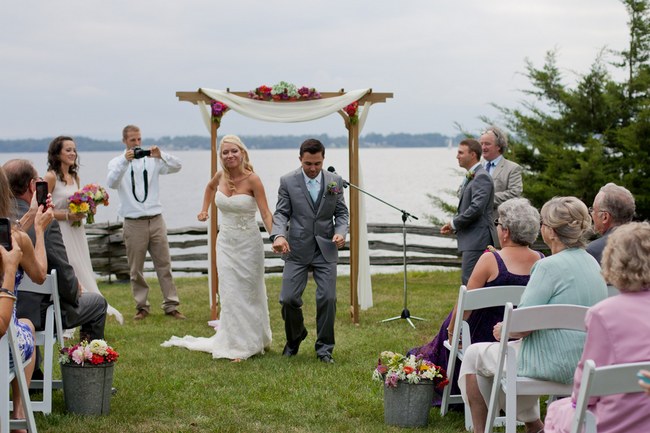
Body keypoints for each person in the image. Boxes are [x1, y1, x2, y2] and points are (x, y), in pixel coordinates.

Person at [458, 196, 608, 433]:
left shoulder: (548, 266)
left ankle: (481, 430)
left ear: (550, 232)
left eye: (543, 224)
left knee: (475, 355)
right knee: (510, 354)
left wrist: (503, 329)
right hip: (587, 360)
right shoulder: (592, 263)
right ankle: (533, 425)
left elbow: (521, 324)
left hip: (549, 362)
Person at [408, 198, 543, 404]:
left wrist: (452, 333)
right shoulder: (541, 261)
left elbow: (465, 306)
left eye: (498, 224)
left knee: (448, 329)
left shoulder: (490, 259)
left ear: (506, 232)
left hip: (481, 336)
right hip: (521, 338)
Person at [162, 135, 273, 361]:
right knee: (230, 292)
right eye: (225, 152)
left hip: (249, 245)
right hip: (225, 243)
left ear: (242, 152)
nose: (229, 155)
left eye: (234, 151)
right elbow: (210, 188)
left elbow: (266, 213)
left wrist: (277, 237)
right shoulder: (220, 175)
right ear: (220, 155)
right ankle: (235, 343)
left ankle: (253, 340)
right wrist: (204, 210)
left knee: (249, 293)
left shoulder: (254, 180)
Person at [544, 222, 650, 432]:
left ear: (614, 261)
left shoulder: (603, 314)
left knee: (558, 410)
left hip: (617, 418)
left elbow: (587, 384)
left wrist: (575, 401)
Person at [4, 159, 107, 343]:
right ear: (32, 186)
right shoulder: (44, 222)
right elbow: (61, 274)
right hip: (36, 313)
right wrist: (75, 290)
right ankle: (87, 362)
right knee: (97, 304)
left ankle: (33, 371)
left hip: (5, 309)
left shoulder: (7, 223)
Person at [271, 138, 349, 364]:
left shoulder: (335, 181)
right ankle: (295, 337)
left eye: (317, 163)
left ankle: (324, 349)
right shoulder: (287, 181)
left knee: (328, 298)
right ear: (300, 160)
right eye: (308, 164)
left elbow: (342, 214)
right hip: (296, 248)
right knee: (288, 299)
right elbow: (281, 213)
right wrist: (278, 235)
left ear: (323, 159)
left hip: (326, 248)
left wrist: (341, 232)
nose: (313, 168)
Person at [106, 124, 185, 320]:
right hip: (133, 222)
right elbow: (112, 183)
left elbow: (178, 166)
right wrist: (125, 162)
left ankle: (171, 305)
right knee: (136, 269)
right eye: (133, 140)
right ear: (124, 141)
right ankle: (142, 306)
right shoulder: (116, 162)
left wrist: (161, 154)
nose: (137, 143)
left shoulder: (153, 161)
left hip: (156, 219)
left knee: (164, 264)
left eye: (139, 139)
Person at [43, 136, 124, 324]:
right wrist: (68, 216)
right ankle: (66, 309)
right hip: (59, 230)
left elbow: (76, 202)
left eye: (74, 150)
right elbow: (43, 209)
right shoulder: (50, 177)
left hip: (76, 231)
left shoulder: (75, 177)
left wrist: (87, 208)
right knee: (68, 266)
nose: (72, 153)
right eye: (68, 150)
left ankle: (88, 304)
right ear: (57, 153)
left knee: (81, 265)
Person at [0, 166, 50, 427]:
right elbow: (40, 275)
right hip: (5, 346)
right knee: (26, 326)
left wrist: (30, 215)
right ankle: (18, 413)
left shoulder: (14, 233)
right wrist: (39, 230)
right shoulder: (16, 239)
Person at [441, 139, 497, 285]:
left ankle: (472, 308)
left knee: (471, 283)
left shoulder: (481, 176)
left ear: (472, 154)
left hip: (478, 240)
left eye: (460, 152)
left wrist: (454, 223)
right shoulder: (473, 175)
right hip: (472, 240)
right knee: (471, 282)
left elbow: (476, 208)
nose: (457, 156)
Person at [586, 182, 635, 264]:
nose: (592, 214)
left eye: (593, 210)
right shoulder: (644, 243)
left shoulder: (593, 251)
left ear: (605, 217)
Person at [479, 126, 523, 212]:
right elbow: (462, 190)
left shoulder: (513, 168)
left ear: (498, 146)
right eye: (481, 144)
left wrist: (484, 199)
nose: (483, 147)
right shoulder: (477, 166)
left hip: (497, 221)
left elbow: (514, 193)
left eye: (487, 144)